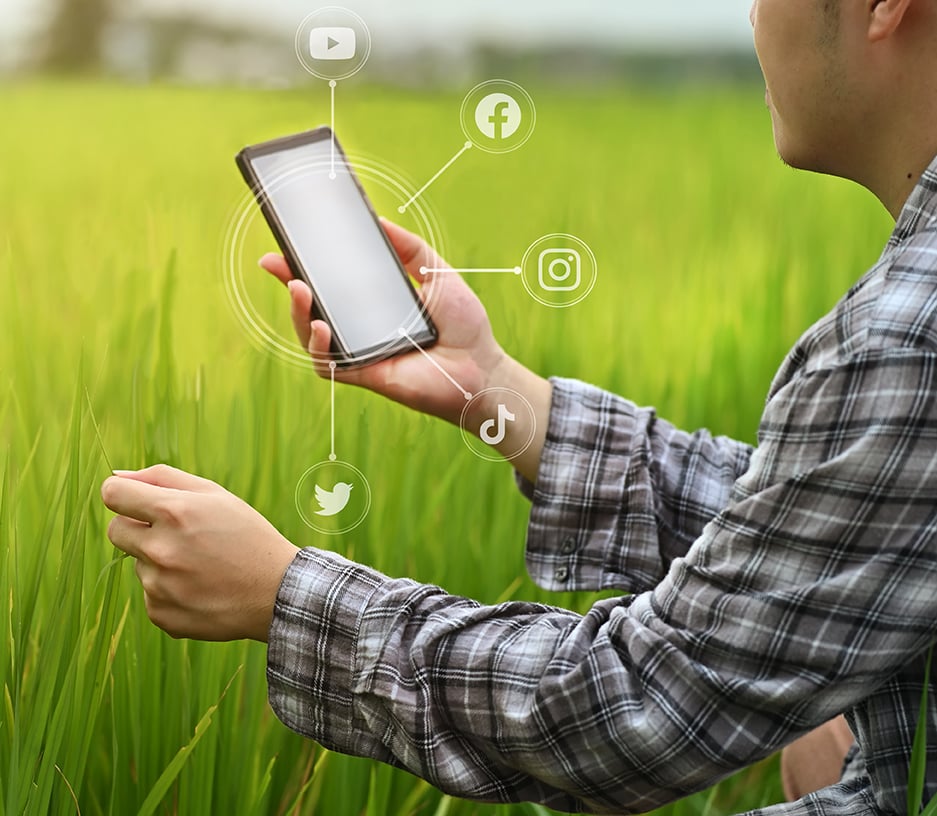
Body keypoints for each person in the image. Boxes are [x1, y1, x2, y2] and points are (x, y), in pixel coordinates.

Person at [100, 0, 937, 813]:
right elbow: (814, 537)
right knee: (826, 736)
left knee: (825, 742)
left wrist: (285, 597)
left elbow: (638, 707)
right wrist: (497, 388)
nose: (752, 18)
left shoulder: (903, 337)